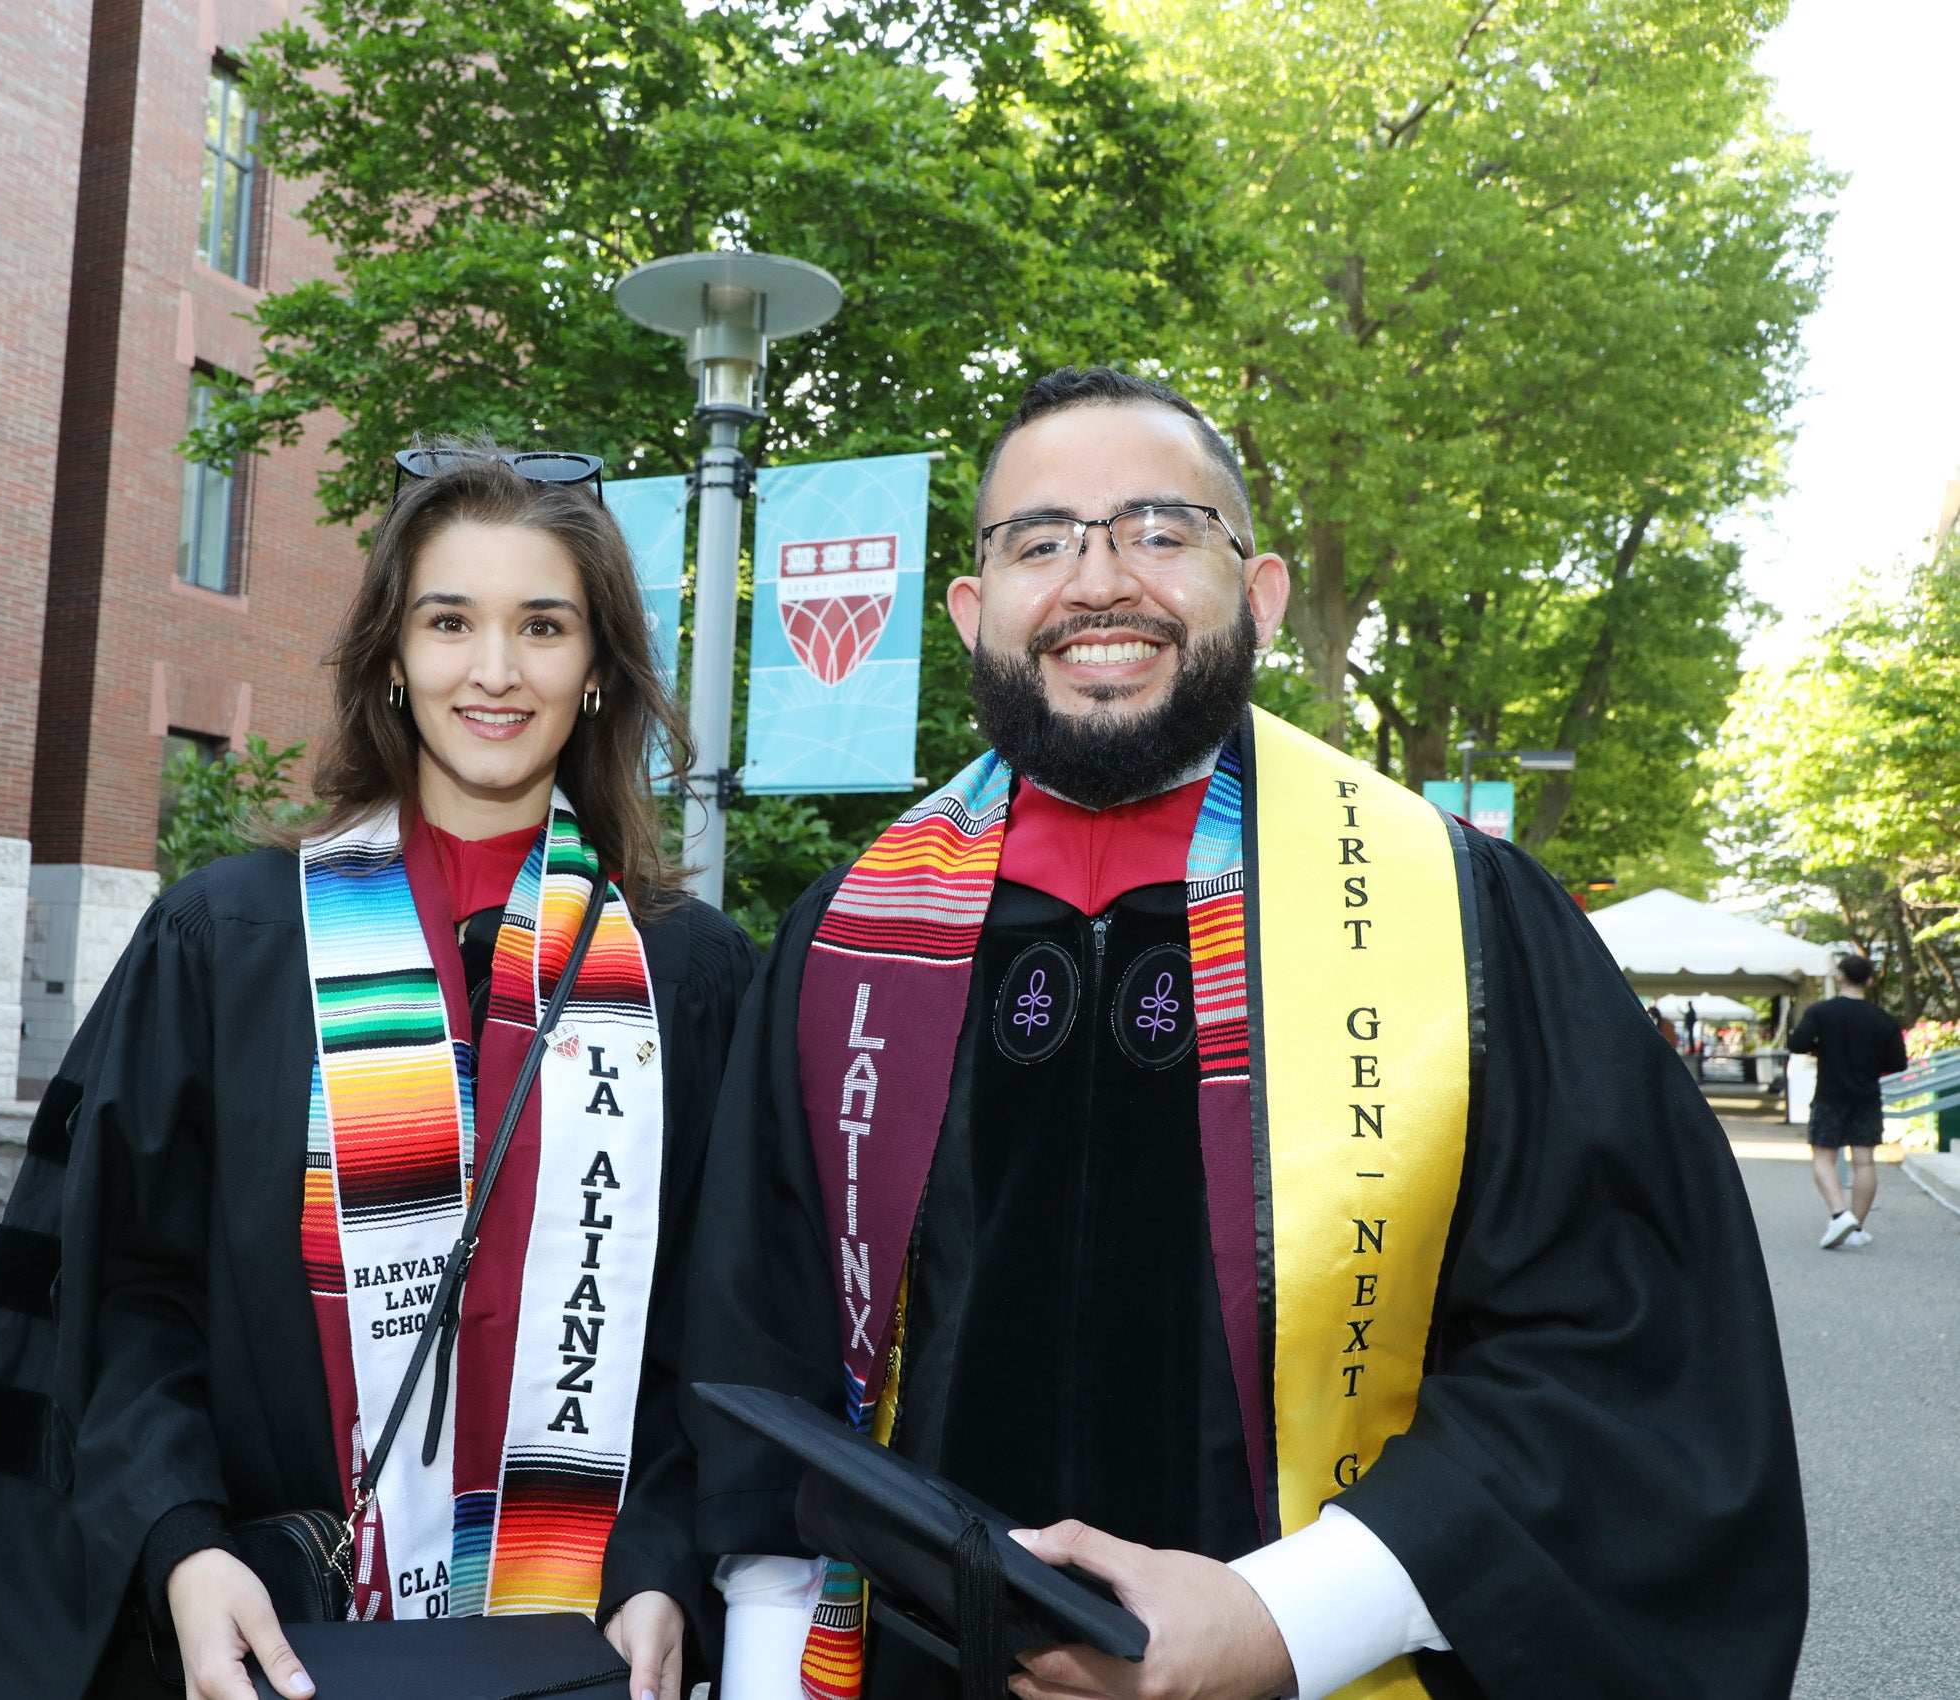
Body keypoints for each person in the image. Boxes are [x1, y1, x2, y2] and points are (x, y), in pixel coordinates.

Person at [656, 367, 1805, 1700]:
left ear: (1256, 592)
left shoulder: (1457, 918)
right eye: (1040, 541)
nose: (1098, 583)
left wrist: (1285, 1616)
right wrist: (767, 1656)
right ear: (973, 612)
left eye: (1158, 529)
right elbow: (759, 1339)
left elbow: (1616, 1342)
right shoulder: (853, 939)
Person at [0, 446, 756, 1700]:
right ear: (392, 658)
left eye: (543, 625)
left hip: (584, 1640)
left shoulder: (688, 977)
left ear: (597, 669)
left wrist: (663, 1560)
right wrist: (182, 1542)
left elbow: (722, 1324)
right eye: (450, 621)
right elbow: (122, 1288)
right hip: (287, 1632)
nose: (495, 669)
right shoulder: (228, 943)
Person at [1789, 954, 1909, 1250]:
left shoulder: (1821, 1012)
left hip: (1829, 1095)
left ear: (1840, 976)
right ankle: (1857, 1227)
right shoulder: (1883, 1018)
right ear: (1869, 981)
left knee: (1823, 1157)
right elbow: (1898, 1062)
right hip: (1867, 1097)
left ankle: (1839, 1214)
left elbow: (1797, 1043)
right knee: (1865, 1162)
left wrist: (1820, 1049)